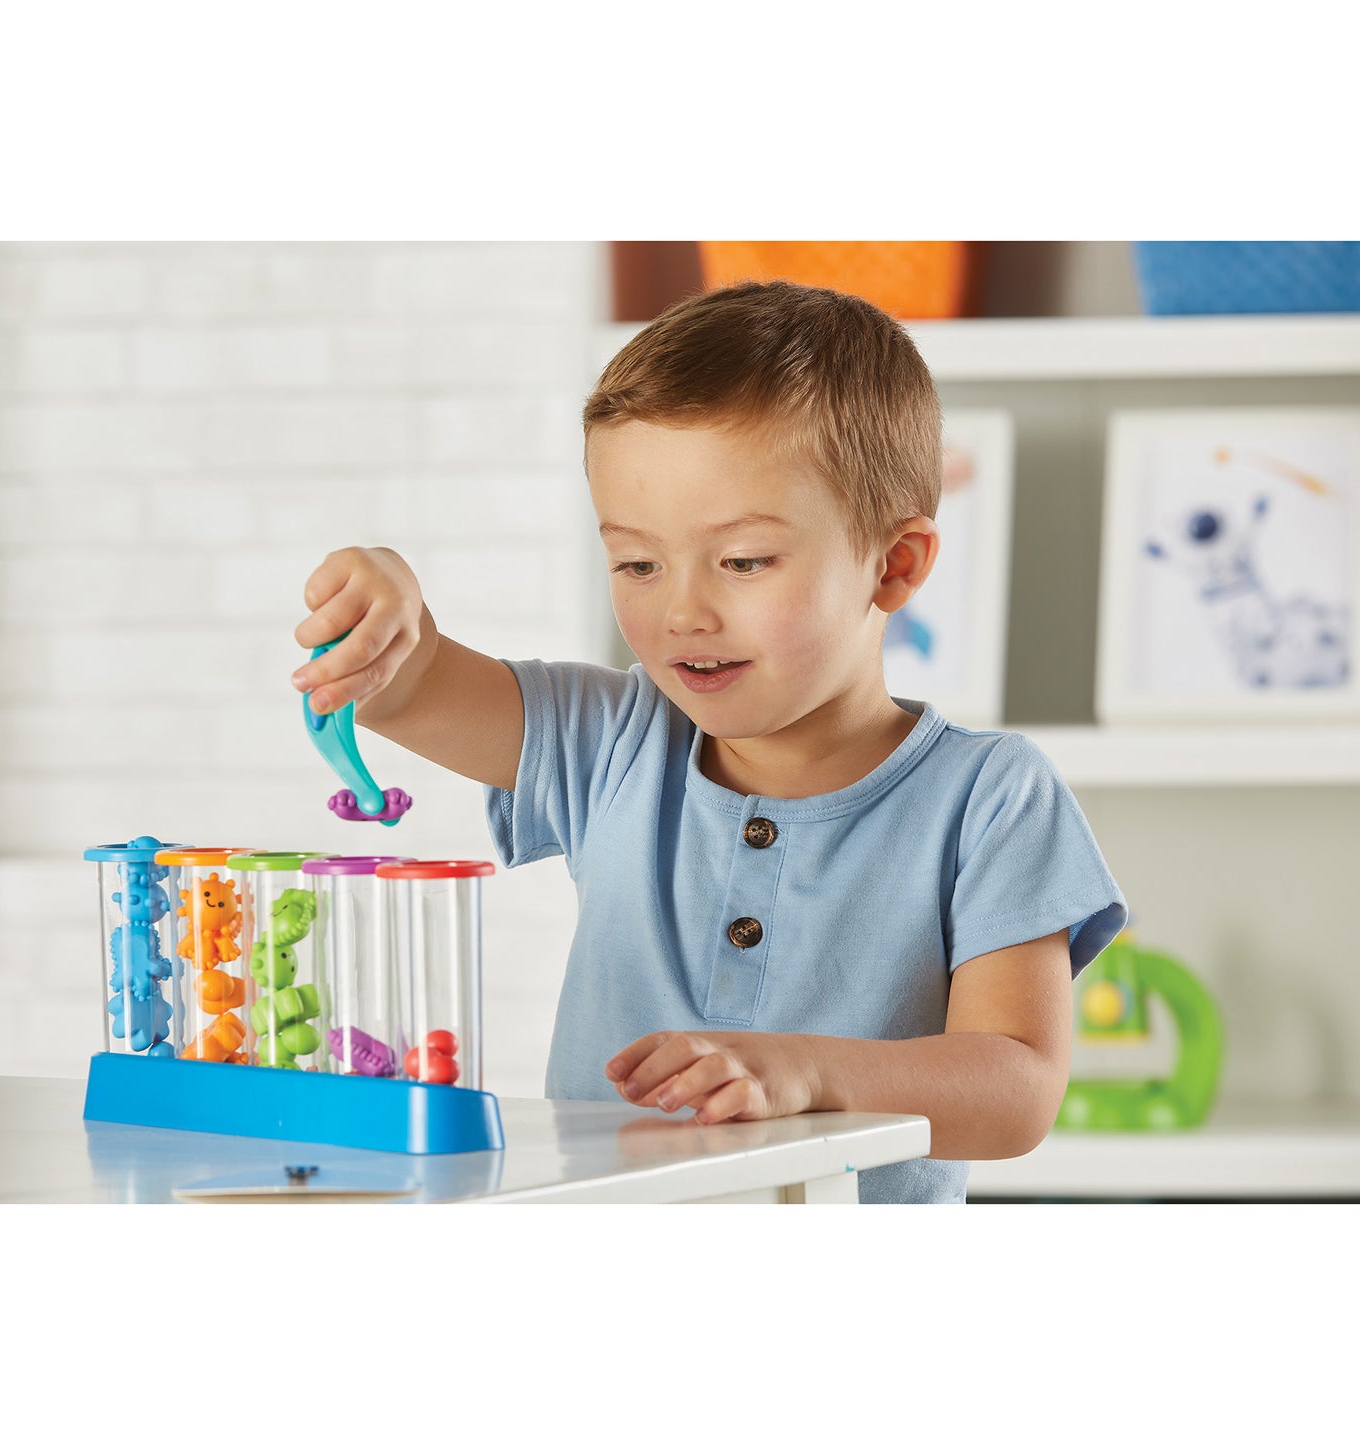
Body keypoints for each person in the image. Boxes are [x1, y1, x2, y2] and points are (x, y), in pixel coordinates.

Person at [292, 279, 1127, 1203]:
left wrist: (809, 1072)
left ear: (893, 565)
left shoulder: (990, 798)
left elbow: (1016, 1088)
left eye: (742, 561)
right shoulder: (606, 741)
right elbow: (408, 685)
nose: (682, 610)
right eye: (636, 563)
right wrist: (385, 604)